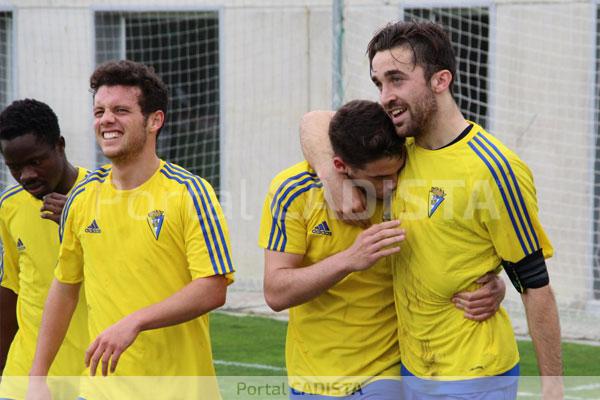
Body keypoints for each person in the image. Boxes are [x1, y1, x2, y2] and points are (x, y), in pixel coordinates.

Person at [300, 21, 562, 400]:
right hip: (412, 368)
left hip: (473, 373)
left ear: (440, 80)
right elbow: (315, 121)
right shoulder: (396, 151)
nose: (385, 96)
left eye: (397, 79)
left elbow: (536, 285)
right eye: (379, 83)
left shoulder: (493, 169)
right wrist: (332, 178)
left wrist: (553, 389)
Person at [261, 99, 505, 399]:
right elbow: (275, 293)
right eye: (379, 178)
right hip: (313, 378)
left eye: (396, 171)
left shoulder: (414, 176)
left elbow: (466, 238)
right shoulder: (294, 191)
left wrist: (491, 280)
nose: (392, 185)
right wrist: (349, 260)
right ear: (341, 166)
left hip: (388, 371)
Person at [27, 60, 234, 400]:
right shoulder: (82, 194)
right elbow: (65, 287)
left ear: (155, 120)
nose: (106, 119)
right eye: (99, 111)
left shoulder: (190, 192)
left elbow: (212, 288)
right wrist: (37, 377)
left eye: (121, 110)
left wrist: (134, 322)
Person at [0, 99, 89, 400]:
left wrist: (80, 219)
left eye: (35, 162)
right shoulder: (9, 207)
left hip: (88, 380)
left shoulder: (102, 197)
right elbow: (10, 291)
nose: (26, 175)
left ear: (60, 146)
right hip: (23, 379)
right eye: (14, 167)